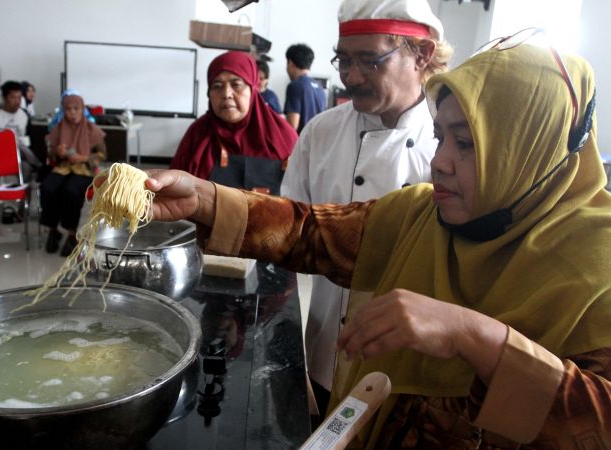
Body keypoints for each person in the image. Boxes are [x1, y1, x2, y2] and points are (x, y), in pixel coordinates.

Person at [121, 38, 611, 450]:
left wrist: (474, 336)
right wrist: (205, 200)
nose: (441, 160)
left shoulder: (597, 266)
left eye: (467, 144)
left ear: (533, 148)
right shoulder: (422, 214)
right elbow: (308, 230)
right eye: (441, 137)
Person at [281, 0, 452, 414]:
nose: (350, 78)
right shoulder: (321, 132)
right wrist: (287, 358)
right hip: (320, 355)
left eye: (369, 61)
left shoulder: (448, 145)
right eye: (343, 60)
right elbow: (283, 239)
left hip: (409, 378)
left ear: (422, 55)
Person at [170, 51, 297, 195]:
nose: (226, 94)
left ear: (253, 90)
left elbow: (300, 197)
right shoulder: (198, 134)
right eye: (217, 86)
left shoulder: (283, 136)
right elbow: (174, 192)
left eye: (236, 85)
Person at [41, 90, 106, 257]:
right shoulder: (58, 128)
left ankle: (71, 234)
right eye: (68, 109)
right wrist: (57, 152)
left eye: (76, 108)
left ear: (82, 109)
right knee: (48, 187)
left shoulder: (92, 129)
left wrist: (83, 157)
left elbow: (102, 155)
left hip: (84, 170)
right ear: (63, 110)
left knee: (70, 190)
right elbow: (49, 154)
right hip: (62, 168)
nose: (72, 113)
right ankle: (53, 230)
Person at [0, 80, 42, 183]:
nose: (17, 101)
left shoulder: (24, 114)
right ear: (4, 98)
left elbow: (30, 138)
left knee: (25, 167)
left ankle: (23, 197)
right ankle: (37, 163)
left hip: (20, 155)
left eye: (19, 98)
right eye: (12, 97)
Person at [283, 43, 326, 133]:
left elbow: (292, 126)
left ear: (290, 63)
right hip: (316, 141)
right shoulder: (319, 87)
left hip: (301, 143)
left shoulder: (295, 86)